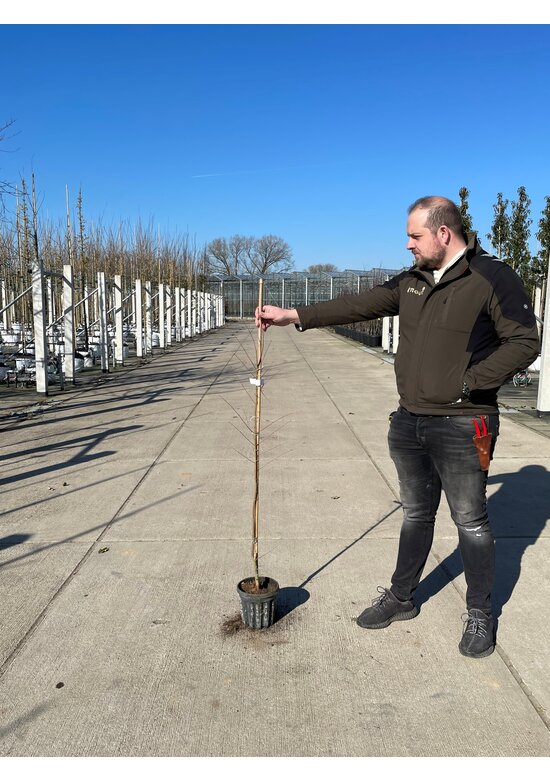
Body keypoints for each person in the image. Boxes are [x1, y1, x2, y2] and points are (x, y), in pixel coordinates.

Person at [255, 195, 540, 659]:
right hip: (410, 422)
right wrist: (295, 316)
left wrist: (469, 383)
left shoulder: (492, 277)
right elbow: (360, 304)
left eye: (415, 235)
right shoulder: (412, 281)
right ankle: (402, 596)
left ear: (443, 233)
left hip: (465, 424)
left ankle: (481, 613)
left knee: (470, 520)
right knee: (415, 514)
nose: (408, 244)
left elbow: (524, 341)